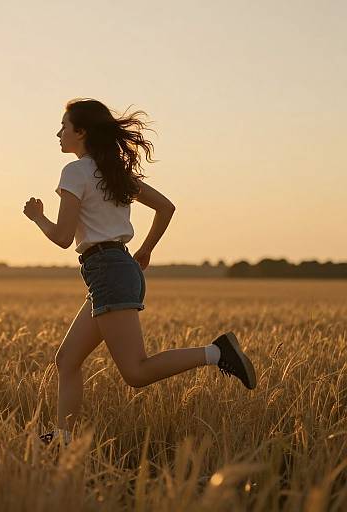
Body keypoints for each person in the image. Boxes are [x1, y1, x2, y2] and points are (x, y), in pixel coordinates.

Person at [23, 98, 256, 447]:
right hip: (116, 268)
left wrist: (37, 216)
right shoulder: (113, 173)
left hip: (107, 271)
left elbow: (61, 238)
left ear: (81, 132)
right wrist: (145, 249)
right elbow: (166, 207)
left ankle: (218, 352)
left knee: (135, 371)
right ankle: (64, 439)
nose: (58, 133)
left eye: (64, 126)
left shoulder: (75, 172)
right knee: (67, 358)